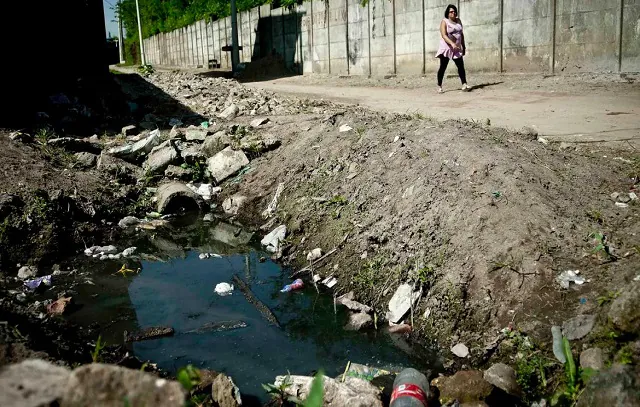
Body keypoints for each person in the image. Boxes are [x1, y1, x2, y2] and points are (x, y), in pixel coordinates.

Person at [435, 4, 470, 93]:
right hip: (446, 47)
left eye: (454, 11)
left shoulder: (458, 21)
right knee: (443, 67)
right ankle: (439, 86)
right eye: (451, 11)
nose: (453, 13)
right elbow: (443, 35)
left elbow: (461, 34)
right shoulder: (444, 21)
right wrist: (452, 43)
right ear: (447, 13)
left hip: (456, 48)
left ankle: (464, 84)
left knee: (461, 66)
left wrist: (463, 46)